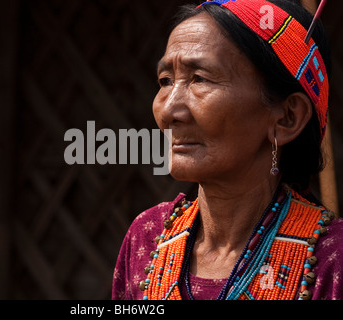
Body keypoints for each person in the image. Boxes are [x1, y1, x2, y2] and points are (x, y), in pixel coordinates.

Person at [112, 0, 343, 300]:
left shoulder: (332, 258)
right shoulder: (148, 236)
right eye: (165, 81)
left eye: (199, 79)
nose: (168, 110)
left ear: (287, 118)